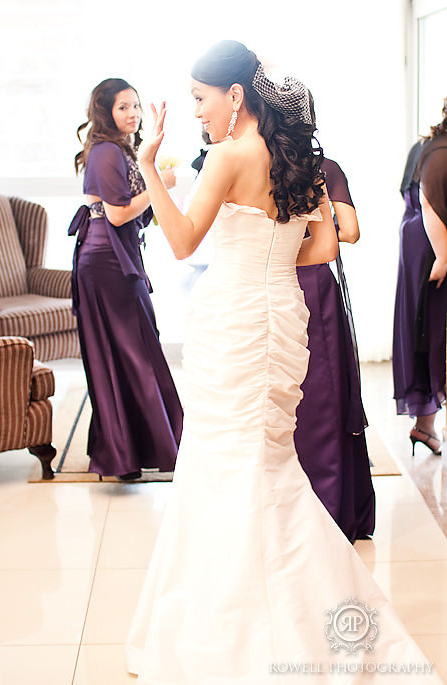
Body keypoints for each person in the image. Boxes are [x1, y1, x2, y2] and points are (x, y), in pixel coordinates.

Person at [125, 40, 441, 681]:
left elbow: (183, 243)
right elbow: (324, 245)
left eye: (199, 100)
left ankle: (236, 630)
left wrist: (149, 165)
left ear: (234, 95)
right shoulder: (294, 155)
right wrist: (267, 261)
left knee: (227, 463)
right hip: (282, 316)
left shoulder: (226, 155)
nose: (196, 113)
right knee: (264, 463)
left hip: (235, 320)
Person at [68, 77, 183, 480]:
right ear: (106, 112)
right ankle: (143, 449)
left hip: (115, 257)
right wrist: (159, 184)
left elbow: (133, 215)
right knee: (134, 352)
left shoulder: (122, 150)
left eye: (135, 105)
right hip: (105, 262)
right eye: (123, 107)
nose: (133, 113)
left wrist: (152, 179)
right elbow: (117, 214)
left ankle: (130, 452)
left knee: (132, 351)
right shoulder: (104, 152)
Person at [295, 152, 375, 543]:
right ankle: (335, 501)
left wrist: (275, 248)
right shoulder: (323, 166)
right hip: (312, 283)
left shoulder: (256, 161)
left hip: (287, 281)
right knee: (323, 395)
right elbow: (350, 230)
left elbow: (351, 232)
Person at [393, 99, 447, 456]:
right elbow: (429, 200)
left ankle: (424, 426)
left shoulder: (426, 144)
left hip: (417, 240)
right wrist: (443, 254)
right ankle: (425, 426)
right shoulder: (441, 150)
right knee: (438, 330)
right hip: (435, 240)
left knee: (424, 329)